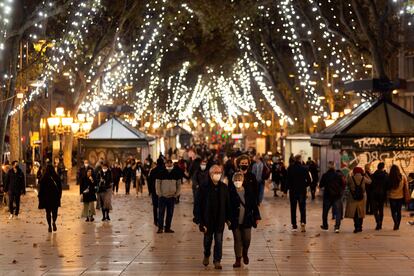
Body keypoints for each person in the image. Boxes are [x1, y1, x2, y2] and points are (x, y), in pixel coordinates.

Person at [194, 165, 231, 270]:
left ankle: (217, 260)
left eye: (219, 172)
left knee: (219, 241)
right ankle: (206, 254)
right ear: (210, 174)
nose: (217, 174)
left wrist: (228, 218)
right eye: (215, 172)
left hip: (219, 219)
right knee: (207, 240)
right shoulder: (203, 187)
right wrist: (199, 221)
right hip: (207, 220)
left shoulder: (224, 187)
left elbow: (227, 204)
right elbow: (197, 205)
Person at [229, 172, 261, 268]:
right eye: (236, 180)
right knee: (237, 240)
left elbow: (254, 205)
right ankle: (238, 259)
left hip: (247, 219)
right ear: (233, 181)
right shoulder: (230, 192)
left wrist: (257, 216)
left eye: (239, 180)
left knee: (247, 239)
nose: (238, 182)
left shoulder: (248, 191)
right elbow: (227, 206)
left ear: (243, 181)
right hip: (235, 221)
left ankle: (245, 253)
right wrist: (227, 219)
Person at [286, 155, 311, 232]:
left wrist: (286, 189)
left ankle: (294, 225)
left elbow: (287, 180)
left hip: (293, 191)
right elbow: (309, 181)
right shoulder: (305, 168)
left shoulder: (290, 168)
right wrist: (304, 185)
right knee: (302, 208)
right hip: (302, 191)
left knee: (293, 208)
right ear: (300, 160)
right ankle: (303, 222)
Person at [155, 159, 181, 233]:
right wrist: (159, 194)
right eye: (167, 163)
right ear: (165, 164)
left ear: (172, 164)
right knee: (161, 213)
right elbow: (157, 184)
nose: (169, 164)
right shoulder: (161, 172)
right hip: (162, 196)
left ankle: (167, 228)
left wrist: (176, 194)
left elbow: (179, 185)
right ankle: (160, 228)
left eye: (170, 163)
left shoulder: (176, 173)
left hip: (172, 197)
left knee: (170, 213)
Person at [319, 162, 344, 233]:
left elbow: (321, 185)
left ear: (328, 167)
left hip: (327, 196)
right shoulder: (338, 175)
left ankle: (325, 226)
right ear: (334, 166)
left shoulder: (325, 175)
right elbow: (342, 185)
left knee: (325, 212)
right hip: (337, 196)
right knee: (338, 212)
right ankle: (337, 227)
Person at [345, 167, 371, 233]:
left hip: (352, 197)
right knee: (360, 213)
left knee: (355, 213)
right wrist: (366, 175)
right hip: (361, 198)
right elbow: (370, 181)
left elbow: (346, 183)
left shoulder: (351, 178)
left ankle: (356, 227)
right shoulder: (363, 178)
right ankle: (360, 227)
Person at [38, 164, 62, 232]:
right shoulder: (56, 177)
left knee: (48, 212)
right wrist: (59, 196)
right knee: (55, 212)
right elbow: (60, 188)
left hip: (47, 199)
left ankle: (49, 226)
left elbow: (41, 190)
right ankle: (54, 222)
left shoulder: (44, 178)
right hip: (55, 198)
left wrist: (40, 198)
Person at [388, 165, 409, 230]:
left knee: (393, 212)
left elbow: (387, 188)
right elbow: (406, 187)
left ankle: (396, 223)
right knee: (399, 211)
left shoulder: (389, 178)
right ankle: (397, 225)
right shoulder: (403, 177)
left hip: (392, 197)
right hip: (400, 197)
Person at [370, 162, 390, 230]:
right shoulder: (386, 175)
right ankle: (380, 223)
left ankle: (377, 221)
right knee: (381, 209)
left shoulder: (373, 175)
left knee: (375, 210)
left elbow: (370, 185)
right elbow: (388, 186)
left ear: (377, 167)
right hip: (382, 194)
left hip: (374, 194)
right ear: (383, 167)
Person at [148, 158, 164, 226]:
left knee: (155, 206)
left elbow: (150, 181)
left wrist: (150, 191)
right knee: (162, 206)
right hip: (163, 190)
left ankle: (155, 220)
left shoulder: (153, 170)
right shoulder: (164, 170)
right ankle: (161, 220)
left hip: (154, 190)